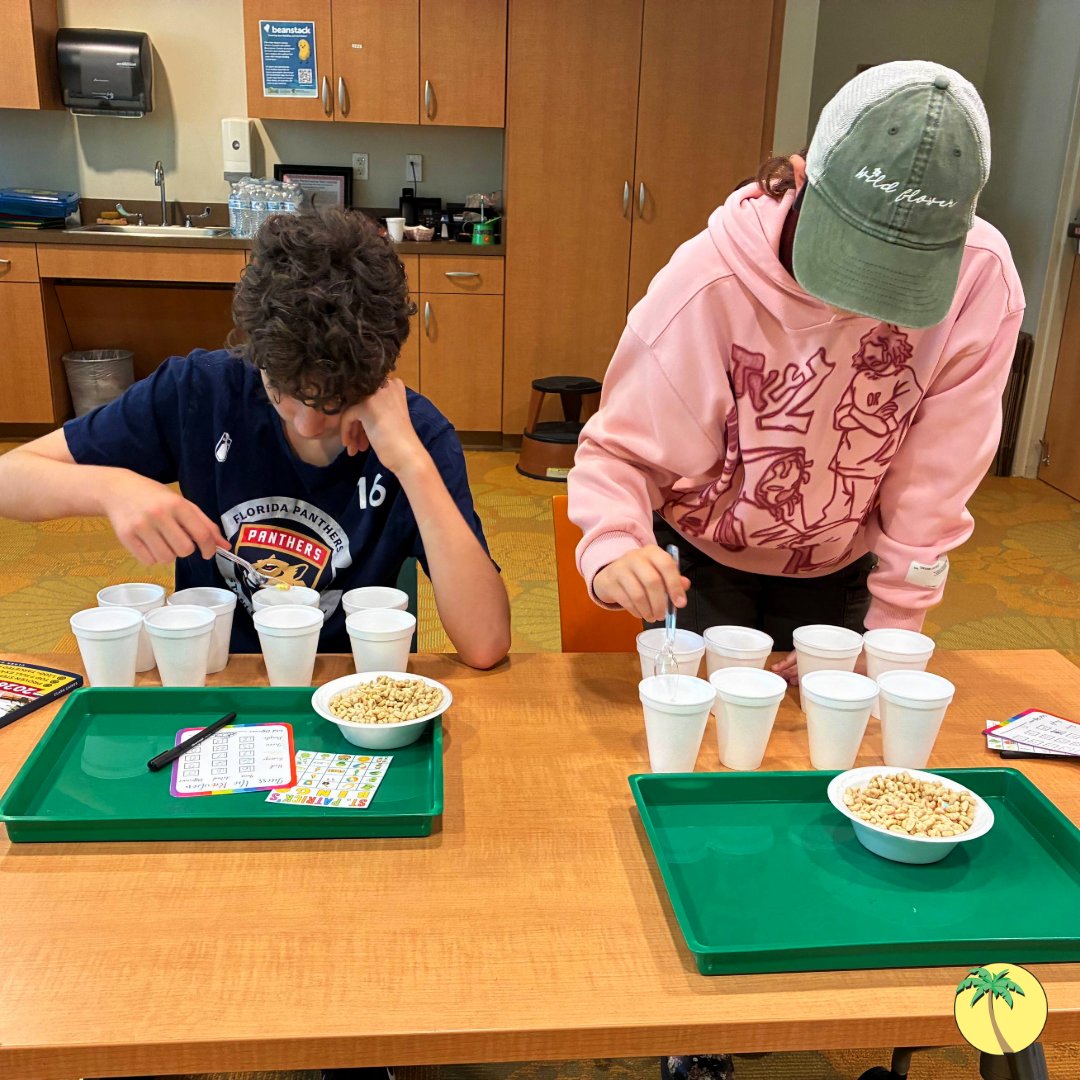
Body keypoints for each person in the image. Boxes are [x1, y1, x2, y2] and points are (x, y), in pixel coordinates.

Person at [570, 60, 1024, 708]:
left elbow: (936, 481)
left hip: (842, 559)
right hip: (702, 558)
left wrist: (890, 638)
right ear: (802, 176)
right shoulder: (707, 283)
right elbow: (620, 451)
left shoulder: (980, 280)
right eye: (850, 256)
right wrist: (615, 542)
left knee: (821, 749)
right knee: (708, 747)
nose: (862, 301)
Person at [0, 208, 510, 669]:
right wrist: (112, 489)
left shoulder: (417, 432)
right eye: (283, 390)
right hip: (216, 674)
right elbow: (9, 478)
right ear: (256, 354)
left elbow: (485, 643)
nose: (308, 424)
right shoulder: (199, 389)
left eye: (336, 401)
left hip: (348, 683)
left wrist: (412, 466)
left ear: (379, 374)